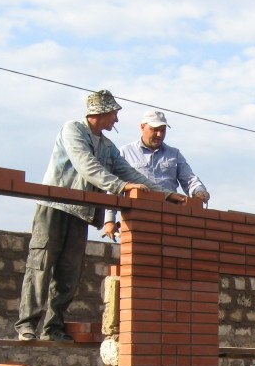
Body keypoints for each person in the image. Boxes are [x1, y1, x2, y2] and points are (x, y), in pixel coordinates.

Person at [15, 90, 182, 341]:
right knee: (41, 265)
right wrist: (119, 187)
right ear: (100, 113)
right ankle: (27, 325)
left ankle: (53, 328)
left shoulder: (107, 146)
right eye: (114, 114)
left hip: (80, 212)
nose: (116, 120)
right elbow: (86, 165)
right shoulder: (73, 130)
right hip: (54, 207)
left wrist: (165, 194)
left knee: (68, 273)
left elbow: (129, 173)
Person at [102, 110, 210, 240]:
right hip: (137, 219)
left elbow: (189, 179)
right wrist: (109, 220)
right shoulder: (125, 152)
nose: (159, 134)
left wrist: (199, 191)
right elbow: (114, 188)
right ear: (142, 127)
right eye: (155, 130)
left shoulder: (174, 154)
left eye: (163, 130)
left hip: (170, 220)